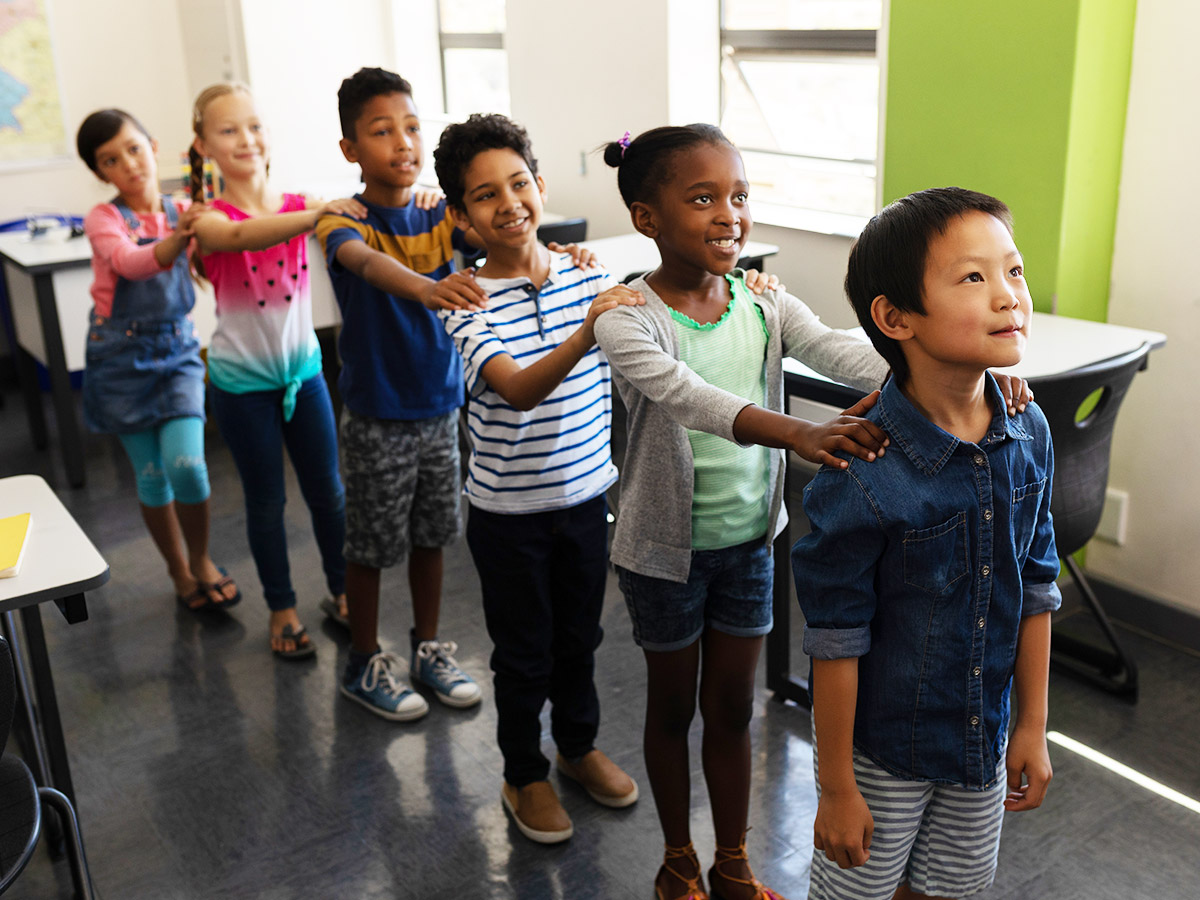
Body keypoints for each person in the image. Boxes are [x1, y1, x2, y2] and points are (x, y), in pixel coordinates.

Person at [592, 129, 1034, 900]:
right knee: (673, 710)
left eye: (738, 195)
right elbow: (689, 397)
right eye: (702, 199)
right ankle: (676, 859)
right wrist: (800, 430)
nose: (729, 214)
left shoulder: (762, 298)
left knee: (731, 709)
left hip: (750, 544)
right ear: (646, 217)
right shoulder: (626, 316)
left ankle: (731, 859)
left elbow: (843, 350)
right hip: (664, 553)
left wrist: (944, 370)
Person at [791, 187, 1059, 900]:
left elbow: (1036, 586)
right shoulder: (863, 475)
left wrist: (1031, 727)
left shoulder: (1029, 432)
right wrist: (837, 788)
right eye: (974, 278)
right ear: (895, 317)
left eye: (1014, 270)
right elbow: (836, 641)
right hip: (884, 755)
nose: (1008, 296)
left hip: (981, 742)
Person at [431, 112, 645, 843]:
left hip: (588, 498)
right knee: (523, 653)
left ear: (541, 185)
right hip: (509, 515)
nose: (509, 203)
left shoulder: (591, 273)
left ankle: (578, 749)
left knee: (579, 639)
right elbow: (517, 388)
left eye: (519, 183)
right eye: (485, 195)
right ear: (462, 217)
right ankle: (523, 773)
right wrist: (588, 327)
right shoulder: (464, 302)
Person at [313, 66, 489, 721]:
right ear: (351, 149)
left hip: (441, 408)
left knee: (432, 536)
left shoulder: (439, 213)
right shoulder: (341, 216)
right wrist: (424, 285)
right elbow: (364, 263)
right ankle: (363, 661)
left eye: (412, 126)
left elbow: (493, 237)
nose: (403, 141)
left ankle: (428, 648)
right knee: (371, 545)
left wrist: (559, 253)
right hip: (377, 414)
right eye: (382, 130)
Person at [189, 82, 370, 659]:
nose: (246, 138)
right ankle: (282, 608)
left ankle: (343, 595)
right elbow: (241, 235)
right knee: (266, 502)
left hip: (306, 375)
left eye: (254, 125)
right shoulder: (209, 218)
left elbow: (365, 223)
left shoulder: (300, 203)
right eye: (228, 129)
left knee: (329, 494)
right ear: (203, 146)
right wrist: (321, 213)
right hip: (241, 389)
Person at [76, 108, 240, 613]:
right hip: (118, 356)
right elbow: (129, 262)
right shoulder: (104, 219)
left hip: (178, 352)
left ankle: (202, 558)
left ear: (152, 144)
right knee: (151, 477)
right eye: (111, 159)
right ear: (101, 172)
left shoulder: (186, 208)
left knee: (188, 465)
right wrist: (179, 239)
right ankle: (178, 570)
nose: (128, 164)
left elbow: (222, 255)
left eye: (133, 148)